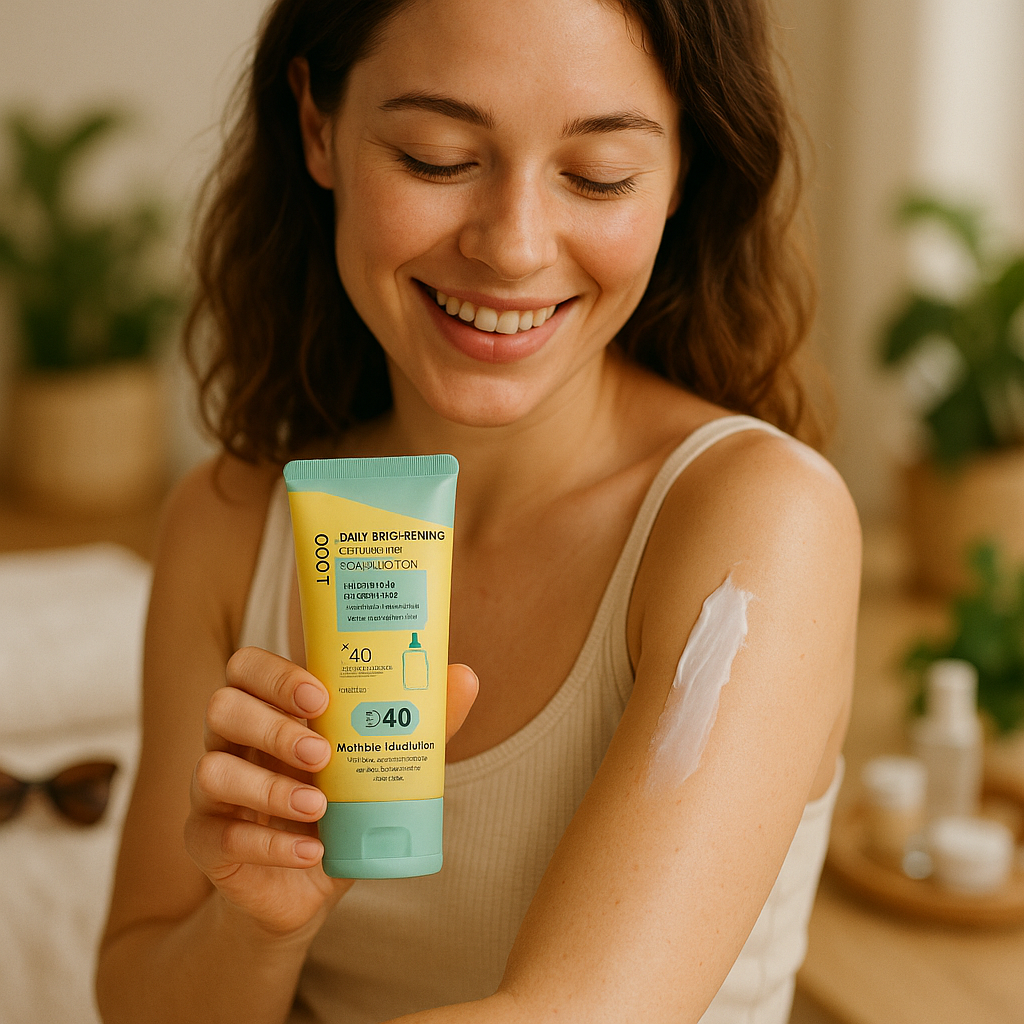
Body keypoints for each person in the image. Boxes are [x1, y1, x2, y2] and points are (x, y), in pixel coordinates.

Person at [96, 1, 860, 1022]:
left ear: (683, 172)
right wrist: (257, 927)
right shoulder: (229, 525)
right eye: (438, 158)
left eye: (599, 176)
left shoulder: (759, 523)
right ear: (318, 126)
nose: (513, 246)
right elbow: (140, 994)